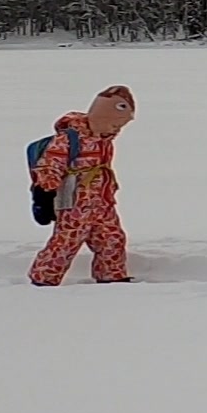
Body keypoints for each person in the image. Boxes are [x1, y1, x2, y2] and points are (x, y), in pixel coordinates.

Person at [29, 85, 138, 285]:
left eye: (120, 127)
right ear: (101, 118)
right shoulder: (68, 140)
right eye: (114, 125)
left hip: (102, 202)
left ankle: (112, 277)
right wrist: (44, 194)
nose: (117, 130)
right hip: (75, 205)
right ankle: (44, 278)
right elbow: (49, 166)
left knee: (112, 239)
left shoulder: (103, 140)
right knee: (65, 243)